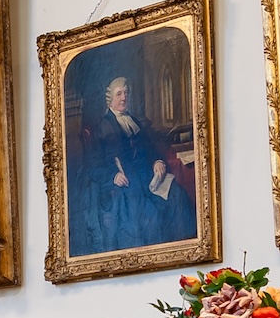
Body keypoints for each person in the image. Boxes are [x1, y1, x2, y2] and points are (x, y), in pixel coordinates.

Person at [71, 69, 195, 256]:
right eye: (119, 94)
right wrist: (113, 176)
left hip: (148, 176)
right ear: (110, 99)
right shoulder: (101, 128)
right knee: (149, 215)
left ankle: (189, 249)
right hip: (127, 182)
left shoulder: (134, 121)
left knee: (178, 195)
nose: (123, 98)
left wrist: (158, 162)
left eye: (126, 93)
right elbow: (92, 166)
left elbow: (150, 149)